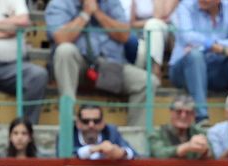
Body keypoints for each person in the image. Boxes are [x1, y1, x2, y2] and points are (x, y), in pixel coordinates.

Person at [48, 0, 157, 128]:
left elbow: (125, 35)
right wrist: (85, 14)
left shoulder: (112, 3)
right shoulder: (60, 3)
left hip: (110, 66)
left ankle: (135, 140)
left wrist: (98, 13)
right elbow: (61, 38)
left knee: (148, 82)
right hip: (79, 66)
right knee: (65, 50)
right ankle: (68, 123)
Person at [170, 0, 228, 123]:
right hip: (183, 69)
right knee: (195, 56)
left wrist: (219, 48)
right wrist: (222, 49)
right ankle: (202, 118)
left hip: (216, 70)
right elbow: (188, 37)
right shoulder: (185, 6)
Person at [150, 93, 214, 158]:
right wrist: (187, 147)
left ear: (193, 115)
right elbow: (159, 154)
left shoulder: (200, 133)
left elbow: (213, 155)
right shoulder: (157, 133)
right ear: (171, 112)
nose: (183, 116)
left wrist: (205, 150)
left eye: (188, 112)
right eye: (179, 111)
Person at [125, 0, 176, 79]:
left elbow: (159, 15)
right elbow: (132, 23)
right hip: (143, 34)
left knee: (153, 26)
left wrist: (149, 22)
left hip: (163, 32)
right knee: (141, 53)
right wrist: (148, 22)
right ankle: (146, 82)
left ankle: (156, 69)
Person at [71, 101, 136, 159]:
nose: (91, 125)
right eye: (85, 121)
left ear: (103, 122)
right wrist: (92, 149)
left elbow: (134, 153)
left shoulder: (111, 131)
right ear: (78, 123)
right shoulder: (69, 133)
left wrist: (122, 153)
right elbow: (63, 156)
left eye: (96, 121)